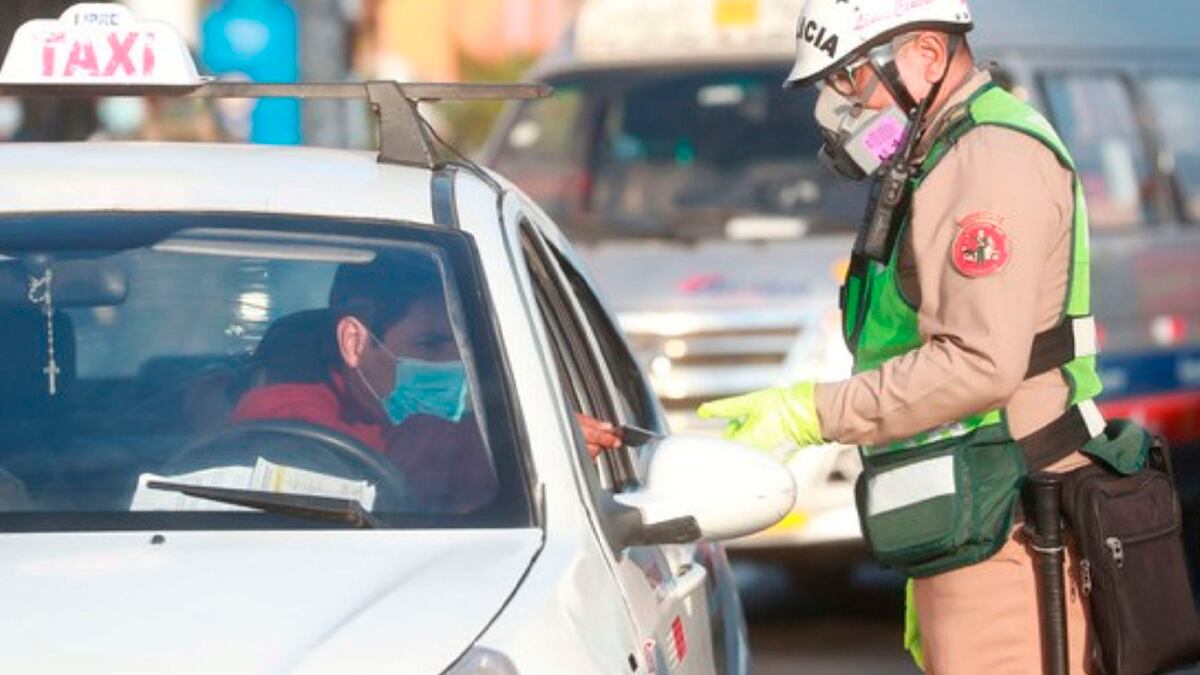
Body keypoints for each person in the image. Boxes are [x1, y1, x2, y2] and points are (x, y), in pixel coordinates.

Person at [699, 1, 1114, 672]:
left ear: (926, 55)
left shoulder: (990, 159)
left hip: (1010, 518)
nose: (838, 105)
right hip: (973, 511)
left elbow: (979, 362)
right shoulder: (943, 151)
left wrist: (812, 412)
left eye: (849, 77)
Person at [234, 251, 622, 513]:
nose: (454, 364)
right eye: (431, 343)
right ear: (355, 342)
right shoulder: (285, 418)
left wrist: (549, 444)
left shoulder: (483, 418)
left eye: (465, 348)